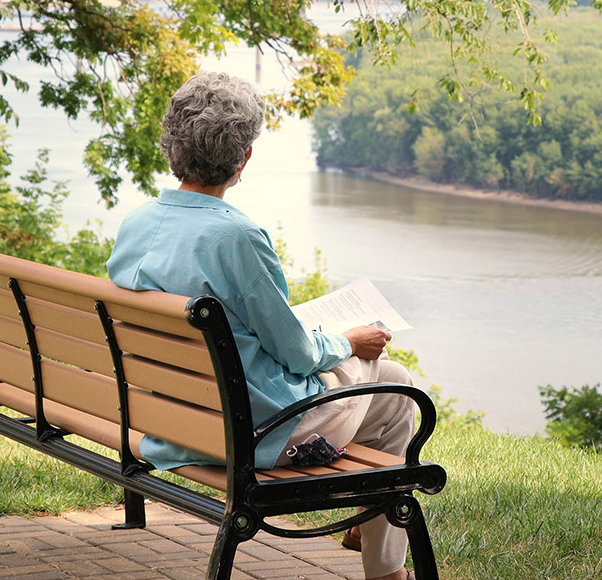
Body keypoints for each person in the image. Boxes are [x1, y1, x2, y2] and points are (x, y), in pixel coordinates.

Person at [106, 72, 416, 580]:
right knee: (400, 387)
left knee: (391, 385)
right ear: (243, 157)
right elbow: (295, 354)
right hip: (256, 432)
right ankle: (384, 560)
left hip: (173, 417)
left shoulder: (137, 222)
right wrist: (351, 342)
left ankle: (372, 517)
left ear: (171, 144)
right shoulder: (238, 236)